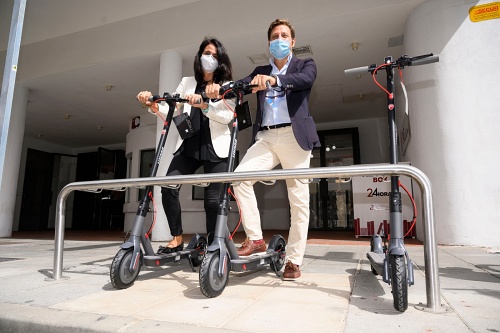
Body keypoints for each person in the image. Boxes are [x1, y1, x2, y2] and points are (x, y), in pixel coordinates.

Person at [207, 19, 319, 279]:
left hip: (294, 136)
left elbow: (305, 79)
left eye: (284, 36)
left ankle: (293, 261)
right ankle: (255, 238)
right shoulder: (259, 69)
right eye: (274, 37)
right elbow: (238, 86)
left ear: (292, 42)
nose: (279, 40)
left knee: (299, 200)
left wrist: (274, 80)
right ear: (269, 43)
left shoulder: (305, 64)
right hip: (267, 138)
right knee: (239, 178)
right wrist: (218, 90)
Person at [136, 37, 235, 254]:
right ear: (199, 56)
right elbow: (174, 110)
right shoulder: (187, 82)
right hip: (189, 144)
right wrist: (152, 105)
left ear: (221, 61)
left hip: (215, 148)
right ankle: (177, 237)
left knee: (212, 201)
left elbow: (228, 116)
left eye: (215, 56)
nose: (210, 59)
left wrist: (205, 105)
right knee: (168, 187)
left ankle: (214, 246)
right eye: (207, 53)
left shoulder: (226, 86)